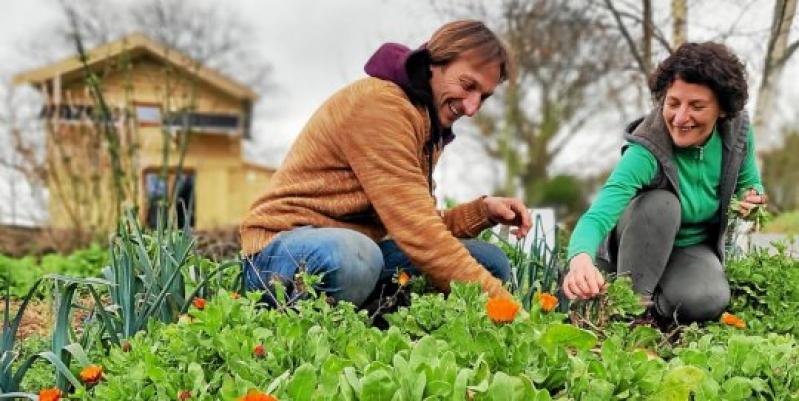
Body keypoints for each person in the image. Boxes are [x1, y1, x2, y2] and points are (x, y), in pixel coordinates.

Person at [240, 20, 531, 307]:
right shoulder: (382, 107)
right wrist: (512, 314)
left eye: (483, 97)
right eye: (468, 85)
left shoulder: (426, 122)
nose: (471, 107)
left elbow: (419, 222)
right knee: (353, 257)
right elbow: (419, 233)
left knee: (489, 261)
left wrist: (483, 212)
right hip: (279, 253)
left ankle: (370, 318)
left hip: (360, 252)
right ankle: (322, 333)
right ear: (434, 63)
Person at [562, 41, 767, 323]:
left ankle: (657, 308)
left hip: (688, 248)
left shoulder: (737, 133)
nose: (681, 118)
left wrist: (751, 198)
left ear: (722, 110)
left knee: (708, 299)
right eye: (673, 103)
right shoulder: (646, 151)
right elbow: (597, 216)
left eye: (697, 106)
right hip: (637, 242)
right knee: (662, 204)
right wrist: (580, 260)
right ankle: (630, 310)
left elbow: (749, 182)